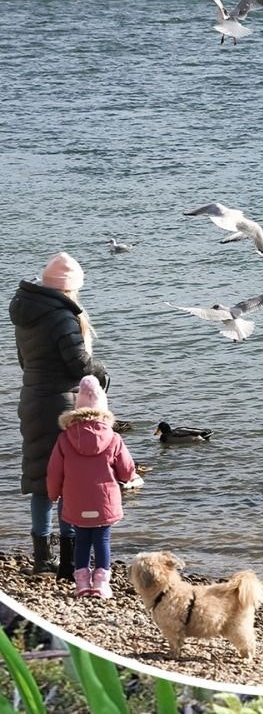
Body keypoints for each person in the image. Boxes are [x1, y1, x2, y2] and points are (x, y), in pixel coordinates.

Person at [9, 253, 108, 579]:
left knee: (41, 480)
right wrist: (101, 375)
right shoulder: (62, 317)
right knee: (69, 481)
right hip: (60, 405)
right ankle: (67, 561)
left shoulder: (28, 312)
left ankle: (41, 558)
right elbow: (79, 365)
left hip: (32, 399)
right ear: (70, 289)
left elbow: (25, 361)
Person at [47, 375, 132, 598]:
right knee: (102, 539)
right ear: (103, 410)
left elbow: (54, 471)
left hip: (76, 501)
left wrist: (53, 493)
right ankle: (101, 585)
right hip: (104, 500)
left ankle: (82, 584)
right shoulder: (113, 438)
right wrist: (128, 477)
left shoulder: (65, 438)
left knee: (82, 539)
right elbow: (126, 469)